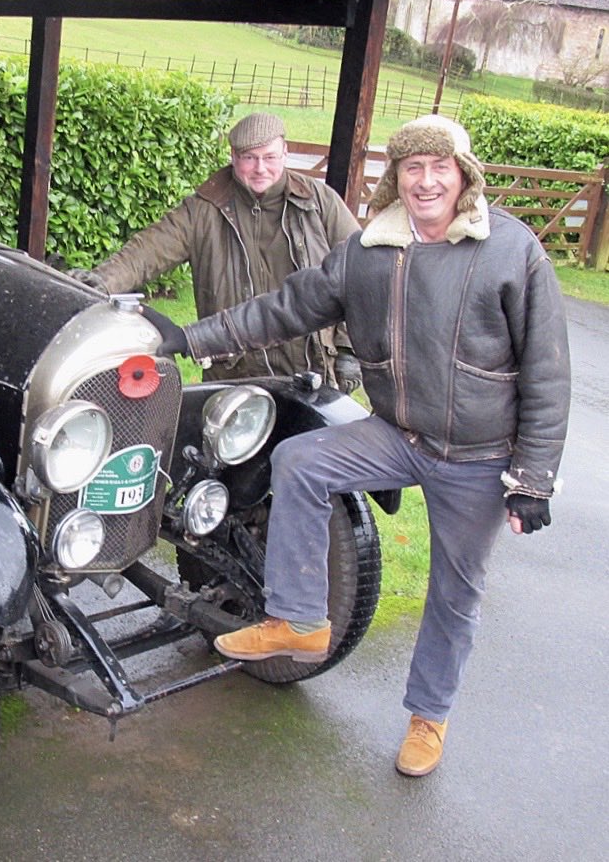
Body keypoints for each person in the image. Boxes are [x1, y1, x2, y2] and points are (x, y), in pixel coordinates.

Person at [142, 114, 571, 777]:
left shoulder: (510, 251)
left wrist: (533, 478)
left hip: (480, 456)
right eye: (412, 168)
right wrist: (190, 339)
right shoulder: (370, 251)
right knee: (302, 461)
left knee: (455, 594)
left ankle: (428, 717)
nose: (426, 181)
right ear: (395, 179)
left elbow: (547, 368)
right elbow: (284, 307)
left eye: (440, 168)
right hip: (397, 434)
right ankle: (300, 618)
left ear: (463, 175)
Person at [75, 112, 363, 391]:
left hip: (310, 371)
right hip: (233, 375)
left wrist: (349, 347)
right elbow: (147, 252)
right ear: (234, 157)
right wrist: (100, 282)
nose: (260, 168)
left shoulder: (319, 202)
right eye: (249, 158)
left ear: (285, 153)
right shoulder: (204, 208)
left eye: (270, 157)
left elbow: (360, 270)